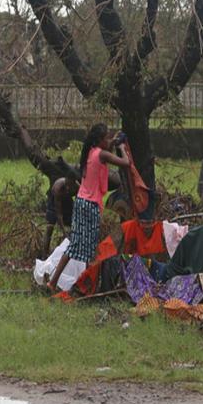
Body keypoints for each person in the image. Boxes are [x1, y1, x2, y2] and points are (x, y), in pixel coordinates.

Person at [47, 124, 130, 291]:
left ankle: (55, 282)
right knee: (90, 247)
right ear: (100, 140)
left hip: (80, 202)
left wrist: (112, 142)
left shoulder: (91, 152)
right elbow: (125, 164)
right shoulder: (103, 154)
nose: (109, 140)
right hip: (91, 205)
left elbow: (104, 151)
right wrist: (121, 147)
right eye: (107, 138)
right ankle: (88, 285)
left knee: (76, 244)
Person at [43, 170, 80, 255]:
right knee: (49, 228)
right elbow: (59, 214)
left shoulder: (78, 187)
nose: (67, 188)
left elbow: (79, 205)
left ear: (74, 183)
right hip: (54, 203)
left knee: (74, 225)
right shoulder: (58, 188)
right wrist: (64, 231)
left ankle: (72, 252)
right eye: (66, 185)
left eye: (70, 186)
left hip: (67, 202)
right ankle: (44, 255)